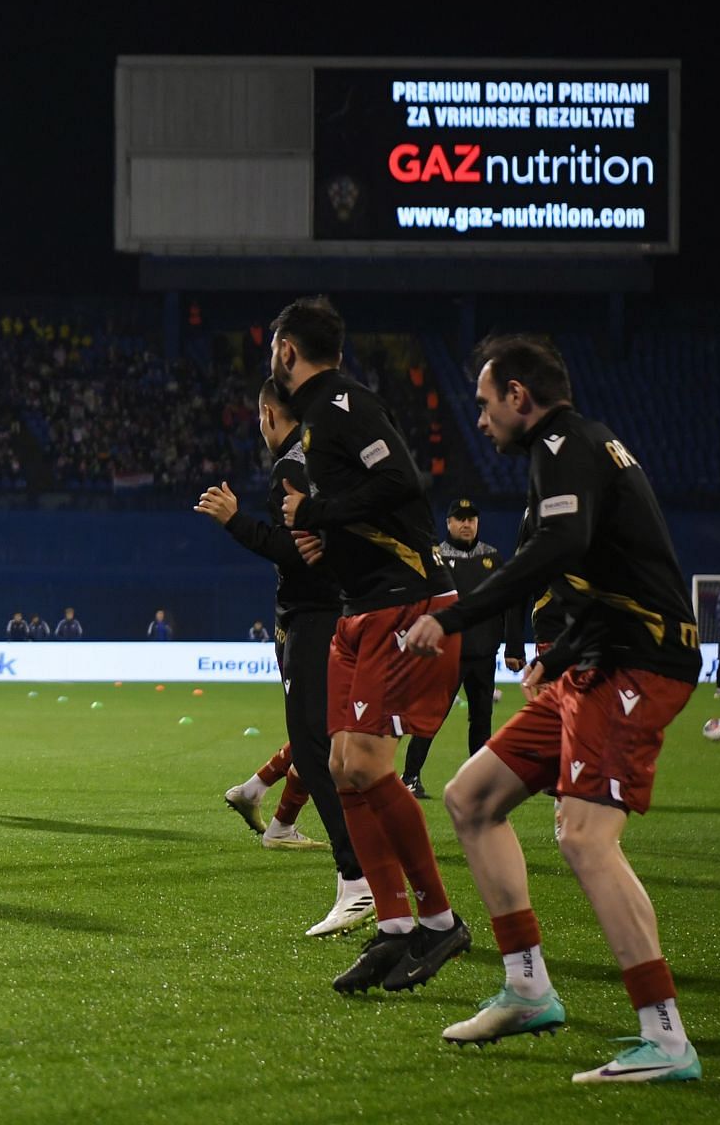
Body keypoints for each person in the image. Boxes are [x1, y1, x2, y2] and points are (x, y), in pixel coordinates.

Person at [402, 334, 704, 1083]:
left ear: (519, 397)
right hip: (596, 664)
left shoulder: (565, 445)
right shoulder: (574, 450)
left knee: (585, 837)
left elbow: (564, 545)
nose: (478, 419)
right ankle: (529, 987)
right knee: (472, 798)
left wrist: (456, 615)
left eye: (483, 402)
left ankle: (665, 1037)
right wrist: (559, 655)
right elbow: (604, 562)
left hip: (639, 664)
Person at [271, 294, 469, 993]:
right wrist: (326, 541)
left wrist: (316, 510)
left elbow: (400, 482)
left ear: (288, 351)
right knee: (342, 764)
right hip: (361, 606)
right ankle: (393, 928)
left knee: (364, 764)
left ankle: (439, 921)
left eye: (276, 349)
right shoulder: (322, 418)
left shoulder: (344, 405)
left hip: (403, 600)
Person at [198, 377, 369, 932]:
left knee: (316, 744)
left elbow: (293, 554)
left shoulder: (289, 468)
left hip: (313, 618)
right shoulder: (323, 456)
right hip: (334, 611)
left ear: (270, 412)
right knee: (323, 738)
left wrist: (233, 522)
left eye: (258, 418)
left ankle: (358, 880)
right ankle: (359, 870)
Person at [400, 500, 517, 799]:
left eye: (472, 519)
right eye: (460, 519)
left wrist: (511, 645)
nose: (467, 524)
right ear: (449, 523)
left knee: (482, 720)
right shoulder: (437, 558)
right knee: (432, 716)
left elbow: (509, 602)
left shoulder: (492, 557)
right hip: (447, 653)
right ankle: (410, 777)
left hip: (484, 653)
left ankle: (478, 783)